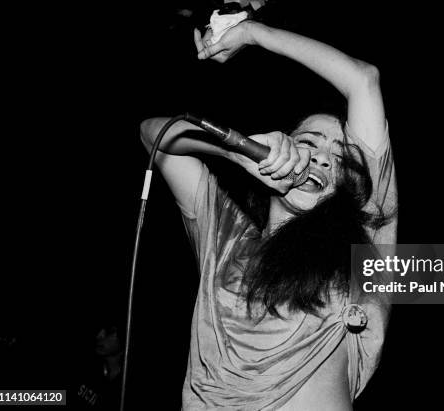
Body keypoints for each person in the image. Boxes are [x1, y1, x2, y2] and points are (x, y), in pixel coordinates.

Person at [140, 14, 397, 411]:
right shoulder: (224, 238)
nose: (322, 160)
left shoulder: (363, 246)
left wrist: (252, 33)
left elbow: (363, 80)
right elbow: (154, 134)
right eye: (309, 143)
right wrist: (235, 151)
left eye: (339, 160)